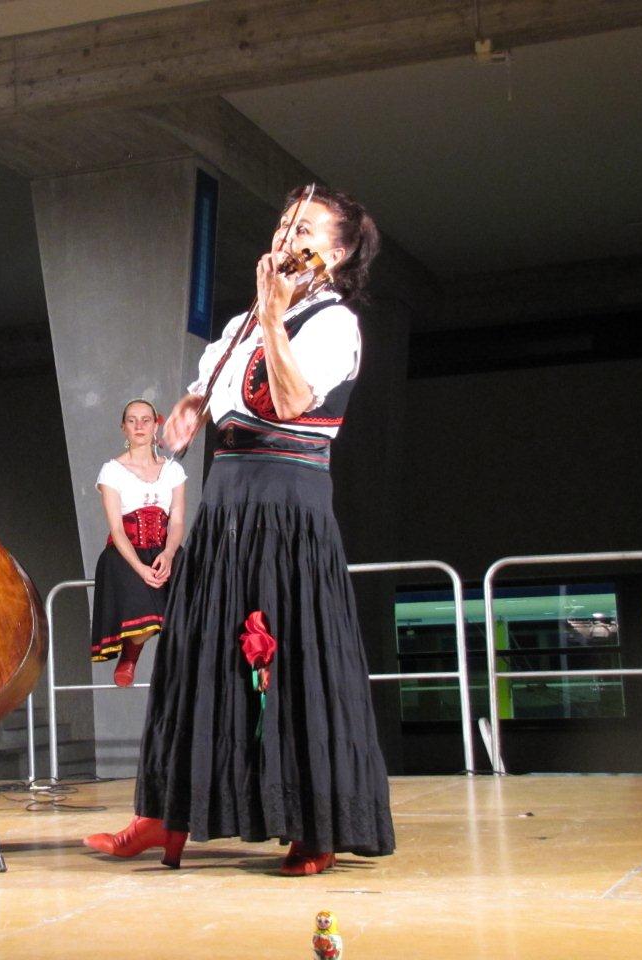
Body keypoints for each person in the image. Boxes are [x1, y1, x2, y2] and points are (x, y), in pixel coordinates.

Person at [84, 185, 395, 875]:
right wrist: (186, 412)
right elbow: (208, 403)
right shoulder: (238, 327)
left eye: (305, 228)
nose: (287, 235)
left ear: (340, 253)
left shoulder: (334, 324)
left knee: (293, 654)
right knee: (194, 656)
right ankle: (164, 814)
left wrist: (275, 315)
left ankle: (315, 823)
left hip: (288, 505)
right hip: (227, 503)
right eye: (285, 223)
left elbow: (290, 400)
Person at [88, 399, 185, 687]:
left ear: (156, 426)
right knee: (147, 611)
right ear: (124, 428)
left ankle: (171, 669)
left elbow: (177, 520)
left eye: (146, 419)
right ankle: (130, 656)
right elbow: (117, 529)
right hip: (125, 553)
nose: (139, 425)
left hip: (164, 550)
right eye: (132, 420)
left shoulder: (173, 470)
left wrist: (169, 553)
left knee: (186, 609)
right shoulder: (111, 470)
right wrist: (141, 569)